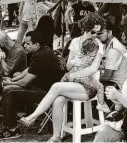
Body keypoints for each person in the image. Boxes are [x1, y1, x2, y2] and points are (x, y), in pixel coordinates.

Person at [18, 13, 105, 142]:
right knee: (57, 101)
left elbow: (93, 69)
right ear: (85, 29)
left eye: (98, 33)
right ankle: (56, 136)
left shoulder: (98, 46)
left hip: (89, 86)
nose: (95, 36)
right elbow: (68, 66)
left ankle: (32, 117)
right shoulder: (75, 42)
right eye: (93, 32)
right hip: (73, 83)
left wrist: (75, 74)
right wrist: (75, 62)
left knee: (56, 86)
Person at [0, 31, 62, 139]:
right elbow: (28, 70)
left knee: (8, 90)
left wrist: (11, 83)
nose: (25, 45)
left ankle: (11, 129)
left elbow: (25, 82)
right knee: (10, 87)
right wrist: (12, 80)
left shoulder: (42, 55)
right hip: (43, 88)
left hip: (46, 93)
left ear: (36, 44)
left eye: (27, 44)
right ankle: (11, 119)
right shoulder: (43, 50)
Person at [58, 37, 110, 113]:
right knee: (100, 86)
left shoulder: (80, 56)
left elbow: (70, 66)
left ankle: (60, 88)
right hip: (83, 78)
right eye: (95, 52)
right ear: (90, 52)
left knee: (66, 75)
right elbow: (95, 68)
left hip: (72, 75)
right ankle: (101, 104)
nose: (96, 53)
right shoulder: (91, 58)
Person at [98, 22, 127, 90]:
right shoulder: (106, 45)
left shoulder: (114, 49)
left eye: (100, 33)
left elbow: (106, 77)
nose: (98, 35)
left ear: (109, 32)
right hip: (111, 83)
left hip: (117, 86)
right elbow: (102, 67)